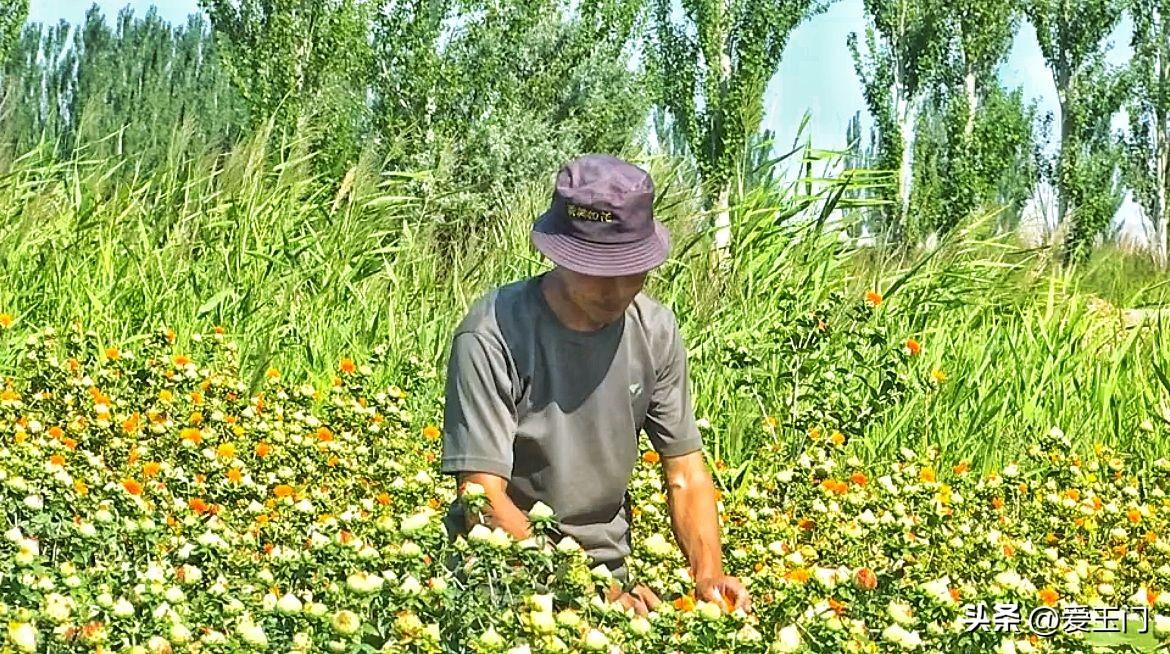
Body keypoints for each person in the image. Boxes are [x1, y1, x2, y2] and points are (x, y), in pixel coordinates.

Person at [439, 153, 750, 616]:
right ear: (558, 255)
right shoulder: (492, 334)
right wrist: (587, 596)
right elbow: (482, 494)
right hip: (503, 584)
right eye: (600, 269)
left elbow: (685, 474)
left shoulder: (656, 331)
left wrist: (707, 575)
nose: (618, 288)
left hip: (613, 581)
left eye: (633, 268)